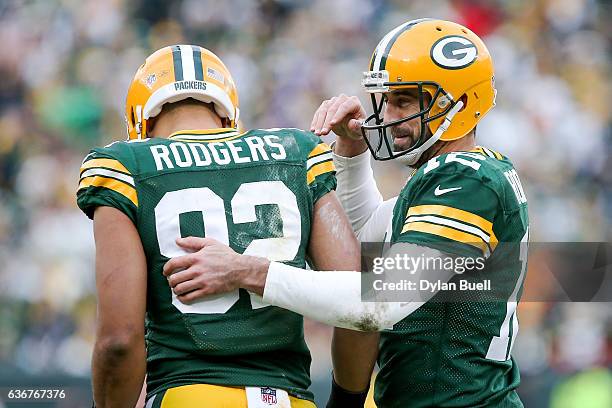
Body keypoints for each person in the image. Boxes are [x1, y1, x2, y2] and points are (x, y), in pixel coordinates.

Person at [163, 20, 530, 408]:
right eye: (386, 100)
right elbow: (368, 251)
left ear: (456, 104)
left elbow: (378, 300)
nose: (388, 116)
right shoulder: (459, 176)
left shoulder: (466, 182)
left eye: (403, 101)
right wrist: (350, 152)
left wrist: (246, 270)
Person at [77, 44, 378, 408]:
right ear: (226, 114)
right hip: (291, 398)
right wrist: (347, 401)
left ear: (142, 120)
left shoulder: (125, 166)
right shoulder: (296, 151)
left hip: (189, 395)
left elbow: (119, 341)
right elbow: (360, 301)